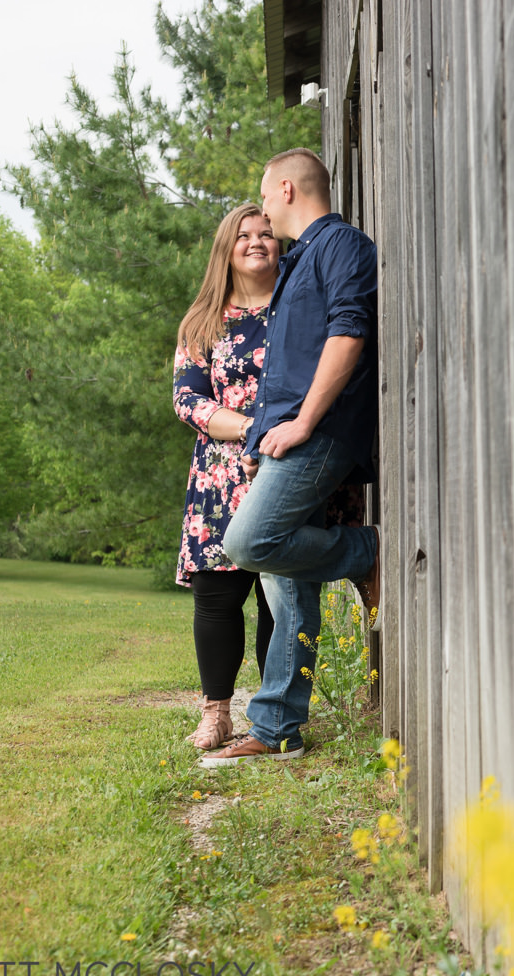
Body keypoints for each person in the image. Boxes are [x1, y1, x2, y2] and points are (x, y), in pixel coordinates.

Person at [203, 147, 381, 767]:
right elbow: (286, 368)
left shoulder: (341, 246)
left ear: (283, 189)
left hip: (322, 434)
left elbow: (348, 332)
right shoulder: (299, 263)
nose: (263, 224)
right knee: (286, 579)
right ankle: (279, 726)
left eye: (264, 200)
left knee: (247, 543)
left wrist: (304, 422)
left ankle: (366, 552)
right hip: (286, 440)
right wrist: (259, 445)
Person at [172, 204, 280, 750]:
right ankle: (216, 713)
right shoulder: (202, 321)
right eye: (244, 235)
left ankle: (276, 713)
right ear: (226, 248)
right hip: (221, 475)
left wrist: (273, 438)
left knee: (277, 596)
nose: (257, 242)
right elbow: (187, 399)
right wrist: (249, 430)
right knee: (216, 598)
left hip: (284, 465)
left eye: (267, 233)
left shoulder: (295, 309)